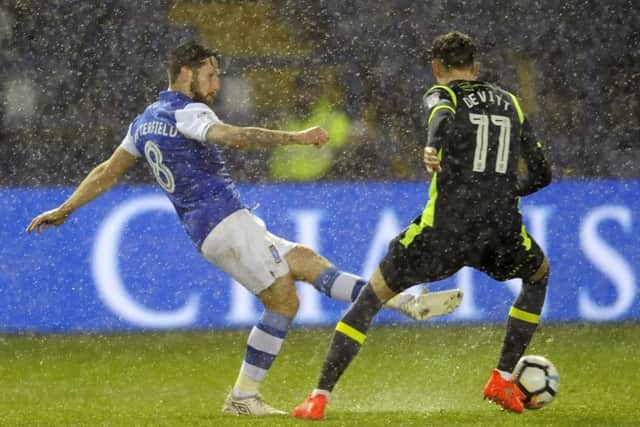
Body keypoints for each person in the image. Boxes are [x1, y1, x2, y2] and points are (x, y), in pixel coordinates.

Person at [26, 41, 463, 416]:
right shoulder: (187, 112)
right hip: (222, 222)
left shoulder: (145, 121)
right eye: (211, 75)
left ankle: (406, 302)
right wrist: (294, 138)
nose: (216, 86)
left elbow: (106, 171)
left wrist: (65, 208)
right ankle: (244, 395)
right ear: (186, 73)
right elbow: (233, 137)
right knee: (284, 301)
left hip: (221, 223)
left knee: (306, 263)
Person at [292, 31, 552, 420]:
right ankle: (501, 376)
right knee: (538, 277)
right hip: (500, 228)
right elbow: (542, 174)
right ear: (476, 69)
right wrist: (500, 190)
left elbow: (440, 115)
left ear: (436, 68)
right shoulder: (510, 102)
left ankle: (318, 398)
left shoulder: (442, 93)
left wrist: (433, 145)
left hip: (443, 231)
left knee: (371, 299)